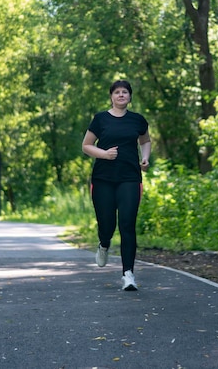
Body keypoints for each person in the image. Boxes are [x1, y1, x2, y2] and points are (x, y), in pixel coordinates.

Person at [82, 80, 151, 291]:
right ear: (111, 96)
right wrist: (104, 154)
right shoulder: (100, 119)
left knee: (127, 224)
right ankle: (104, 243)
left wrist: (146, 158)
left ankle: (128, 274)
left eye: (125, 92)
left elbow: (145, 141)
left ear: (130, 97)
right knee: (107, 224)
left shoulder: (137, 120)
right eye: (117, 92)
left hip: (130, 177)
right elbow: (86, 145)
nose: (121, 95)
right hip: (103, 179)